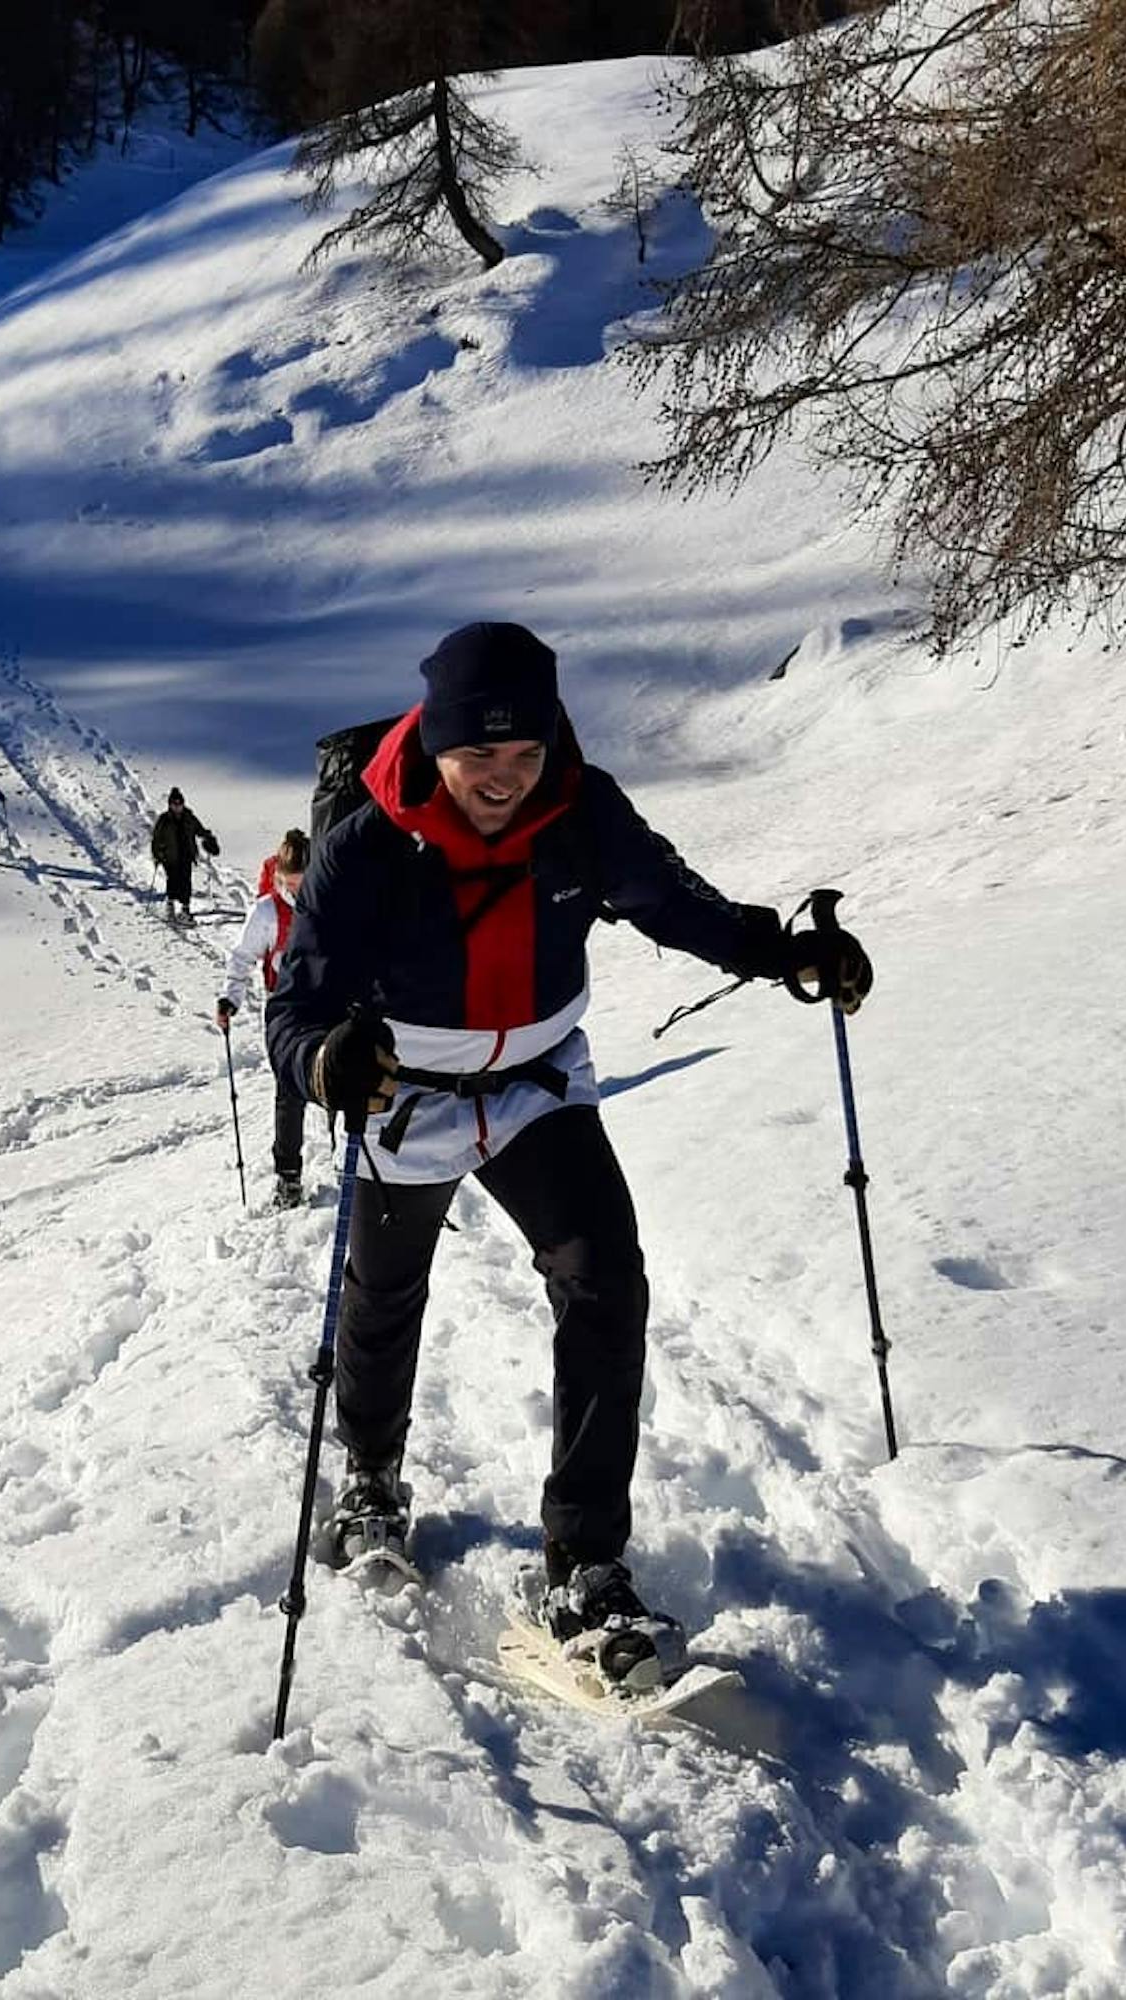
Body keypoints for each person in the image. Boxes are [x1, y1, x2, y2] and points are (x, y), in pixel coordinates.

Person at [264, 621, 872, 1688]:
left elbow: (670, 904)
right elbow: (296, 1006)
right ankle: (368, 1471)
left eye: (523, 753)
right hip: (406, 1091)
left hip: (541, 1083)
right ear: (436, 746)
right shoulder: (366, 843)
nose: (502, 779)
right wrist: (324, 1060)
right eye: (477, 757)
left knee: (604, 1280)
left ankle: (584, 1561)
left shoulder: (577, 811)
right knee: (384, 1289)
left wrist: (783, 951)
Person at [217, 830, 315, 1210]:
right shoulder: (266, 911)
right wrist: (230, 998)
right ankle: (289, 1178)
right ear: (278, 878)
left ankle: (349, 1158)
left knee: (342, 1078)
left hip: (324, 1003)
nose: (295, 890)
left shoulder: (328, 899)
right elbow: (242, 957)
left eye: (301, 883)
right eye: (289, 883)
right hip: (285, 1009)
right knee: (289, 1093)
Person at [149, 787, 219, 924]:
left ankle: (185, 910)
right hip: (170, 856)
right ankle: (170, 906)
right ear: (170, 805)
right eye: (174, 804)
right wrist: (157, 855)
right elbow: (156, 839)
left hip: (186, 855)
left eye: (179, 804)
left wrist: (208, 837)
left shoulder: (189, 818)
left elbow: (199, 829)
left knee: (186, 882)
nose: (177, 807)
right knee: (173, 880)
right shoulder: (164, 820)